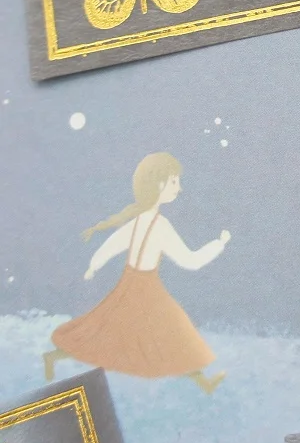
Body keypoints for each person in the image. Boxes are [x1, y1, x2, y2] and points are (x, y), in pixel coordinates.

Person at [43, 152, 230, 394]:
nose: (179, 188)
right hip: (145, 289)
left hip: (131, 284)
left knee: (112, 329)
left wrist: (94, 265)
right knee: (172, 330)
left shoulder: (139, 221)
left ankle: (203, 382)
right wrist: (218, 244)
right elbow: (190, 260)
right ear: (158, 184)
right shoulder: (159, 225)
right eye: (174, 181)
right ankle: (203, 382)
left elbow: (112, 245)